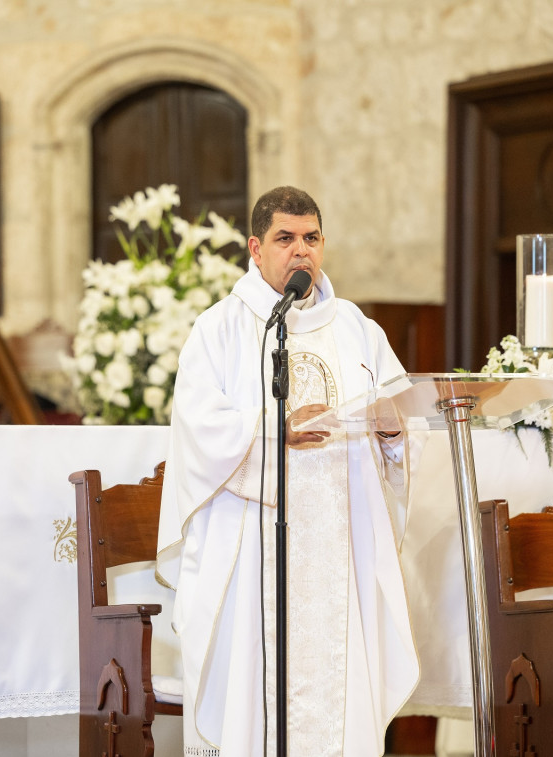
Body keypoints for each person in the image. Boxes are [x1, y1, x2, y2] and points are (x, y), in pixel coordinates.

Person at [157, 186, 420, 757]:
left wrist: (394, 434)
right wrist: (272, 428)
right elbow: (198, 431)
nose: (301, 251)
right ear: (255, 248)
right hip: (253, 546)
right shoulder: (220, 329)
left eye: (311, 238)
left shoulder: (358, 330)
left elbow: (400, 423)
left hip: (339, 546)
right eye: (285, 239)